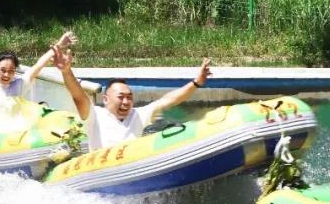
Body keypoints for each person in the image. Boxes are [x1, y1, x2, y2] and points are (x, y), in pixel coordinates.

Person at [54, 46, 212, 151]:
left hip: (131, 162)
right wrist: (66, 71)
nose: (126, 102)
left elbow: (169, 100)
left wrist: (196, 83)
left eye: (129, 97)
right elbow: (78, 96)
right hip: (100, 167)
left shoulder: (138, 115)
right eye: (121, 97)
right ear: (106, 99)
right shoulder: (95, 115)